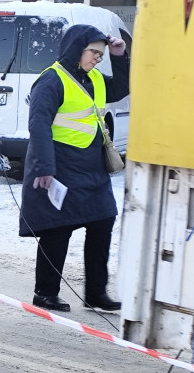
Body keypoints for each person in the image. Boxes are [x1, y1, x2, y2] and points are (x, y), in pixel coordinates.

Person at [20, 25, 130, 312]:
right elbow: (39, 125)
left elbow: (121, 87)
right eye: (94, 52)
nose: (97, 58)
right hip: (60, 165)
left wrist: (120, 56)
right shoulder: (52, 80)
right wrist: (44, 167)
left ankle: (96, 293)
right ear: (76, 50)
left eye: (100, 54)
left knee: (103, 220)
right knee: (58, 229)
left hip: (92, 166)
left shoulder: (94, 77)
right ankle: (45, 293)